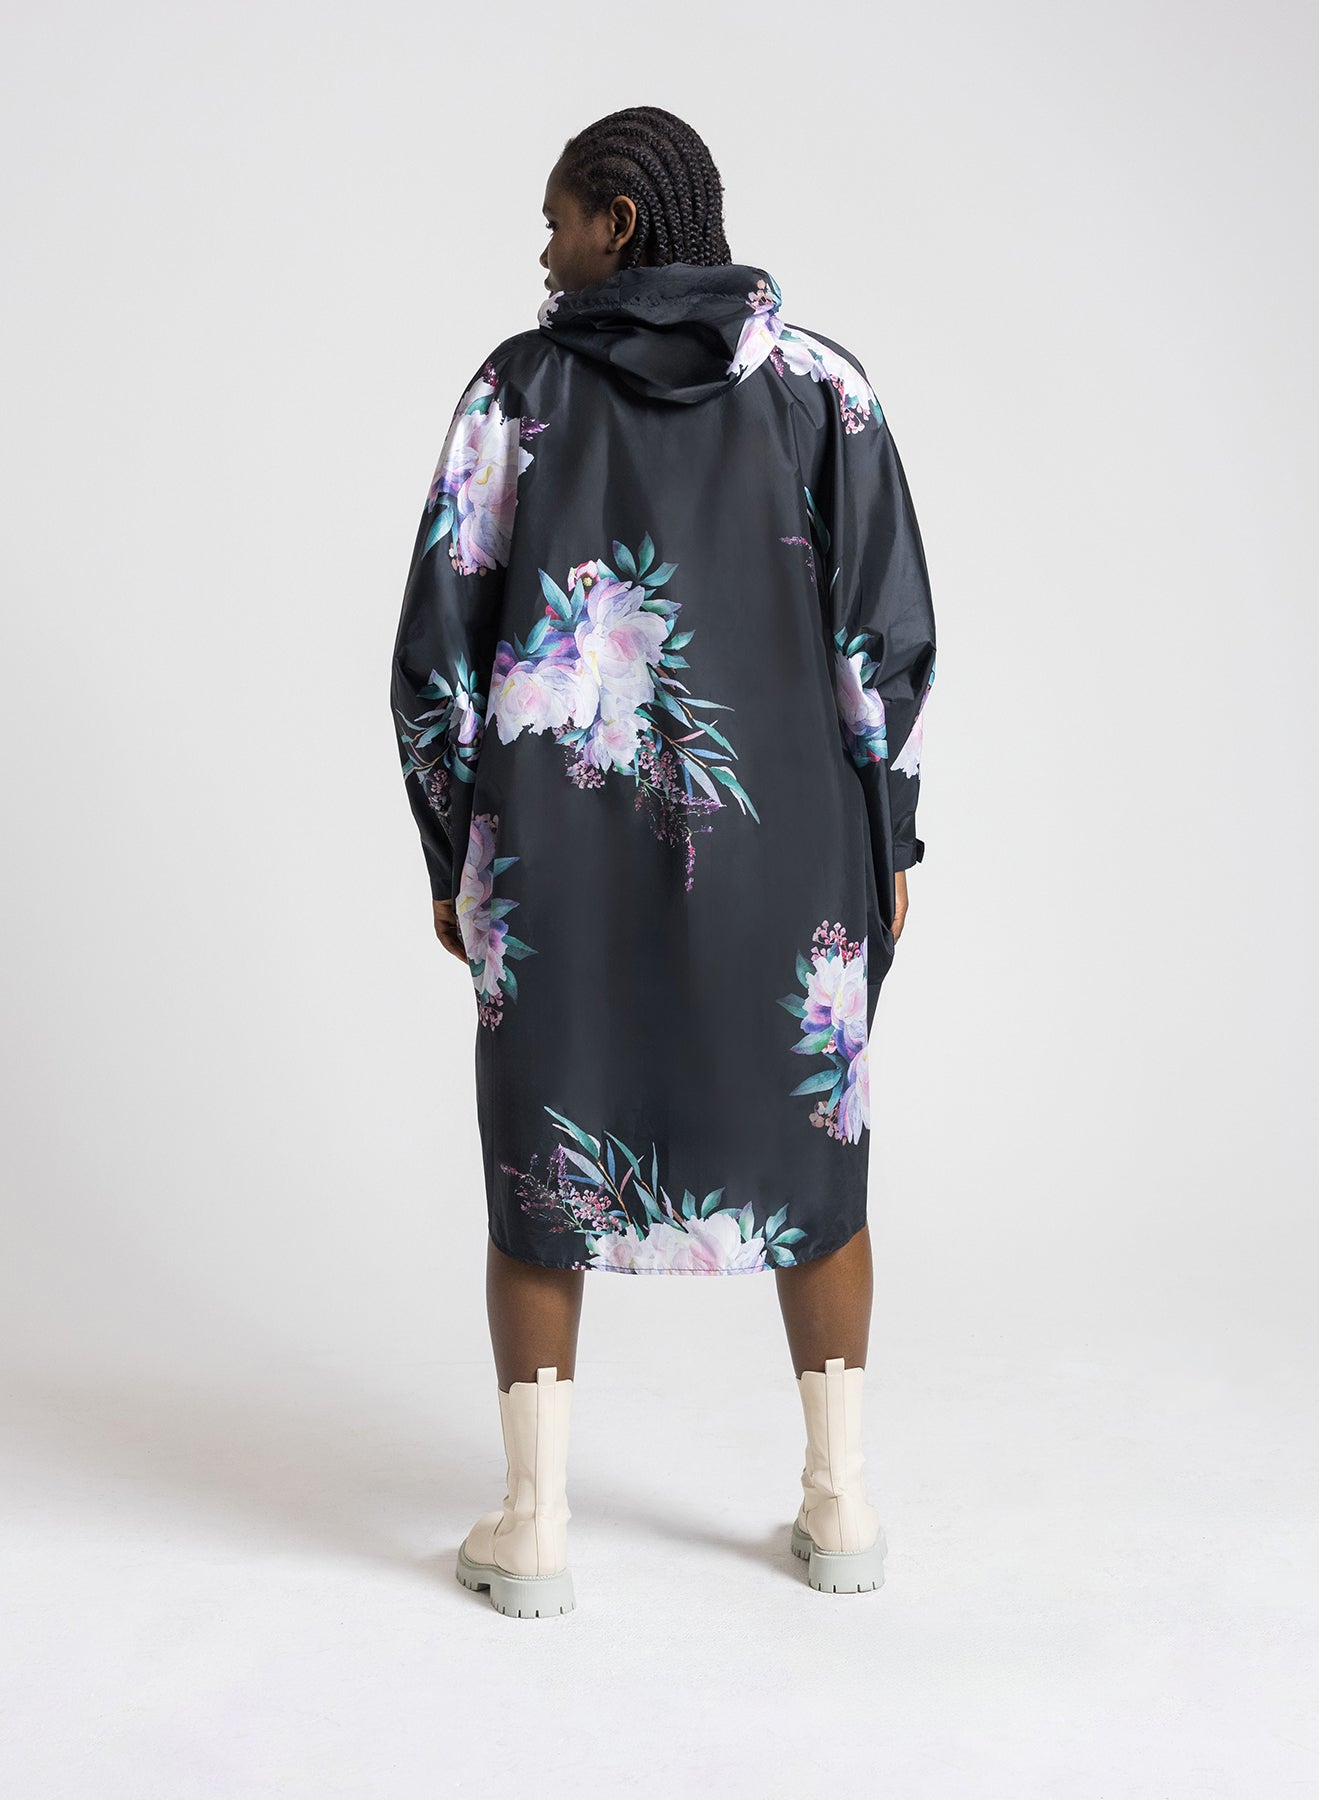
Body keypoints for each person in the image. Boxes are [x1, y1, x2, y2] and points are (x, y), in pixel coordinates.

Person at [389, 106, 937, 1617]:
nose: (543, 247)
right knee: (815, 1160)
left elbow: (441, 651)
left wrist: (453, 851)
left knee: (544, 1163)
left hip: (555, 851)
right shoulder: (822, 389)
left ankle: (534, 1527)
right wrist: (885, 829)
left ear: (617, 223)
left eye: (557, 219)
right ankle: (839, 1507)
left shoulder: (517, 390)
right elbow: (882, 641)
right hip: (788, 854)